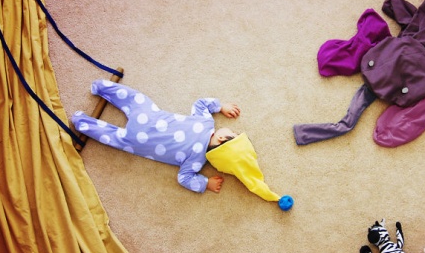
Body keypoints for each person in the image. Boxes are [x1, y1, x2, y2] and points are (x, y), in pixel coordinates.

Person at [72, 80, 293, 210]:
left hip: (149, 116)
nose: (232, 129)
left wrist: (220, 106)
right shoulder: (197, 161)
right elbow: (184, 178)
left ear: (222, 139)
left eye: (233, 133)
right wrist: (205, 183)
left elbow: (201, 103)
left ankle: (100, 86)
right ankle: (81, 122)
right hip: (137, 142)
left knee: (133, 99)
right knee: (112, 137)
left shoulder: (205, 123)